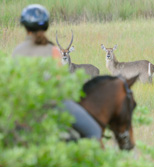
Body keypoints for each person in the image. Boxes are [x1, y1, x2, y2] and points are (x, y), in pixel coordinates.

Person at [12, 4, 102, 140]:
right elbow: (60, 82)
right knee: (94, 131)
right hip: (51, 104)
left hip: (24, 104)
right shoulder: (52, 50)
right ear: (46, 26)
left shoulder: (16, 51)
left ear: (25, 27)